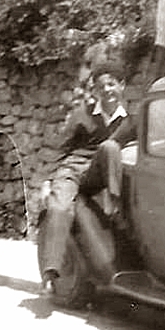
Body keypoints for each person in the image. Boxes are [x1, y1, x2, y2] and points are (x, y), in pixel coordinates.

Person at [40, 61, 136, 294]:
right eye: (101, 86)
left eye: (112, 84)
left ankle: (115, 210)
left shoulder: (130, 120)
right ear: (95, 91)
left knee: (110, 147)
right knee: (59, 206)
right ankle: (52, 270)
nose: (107, 90)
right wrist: (46, 182)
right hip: (73, 169)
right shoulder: (81, 115)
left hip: (99, 172)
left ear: (121, 86)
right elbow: (59, 150)